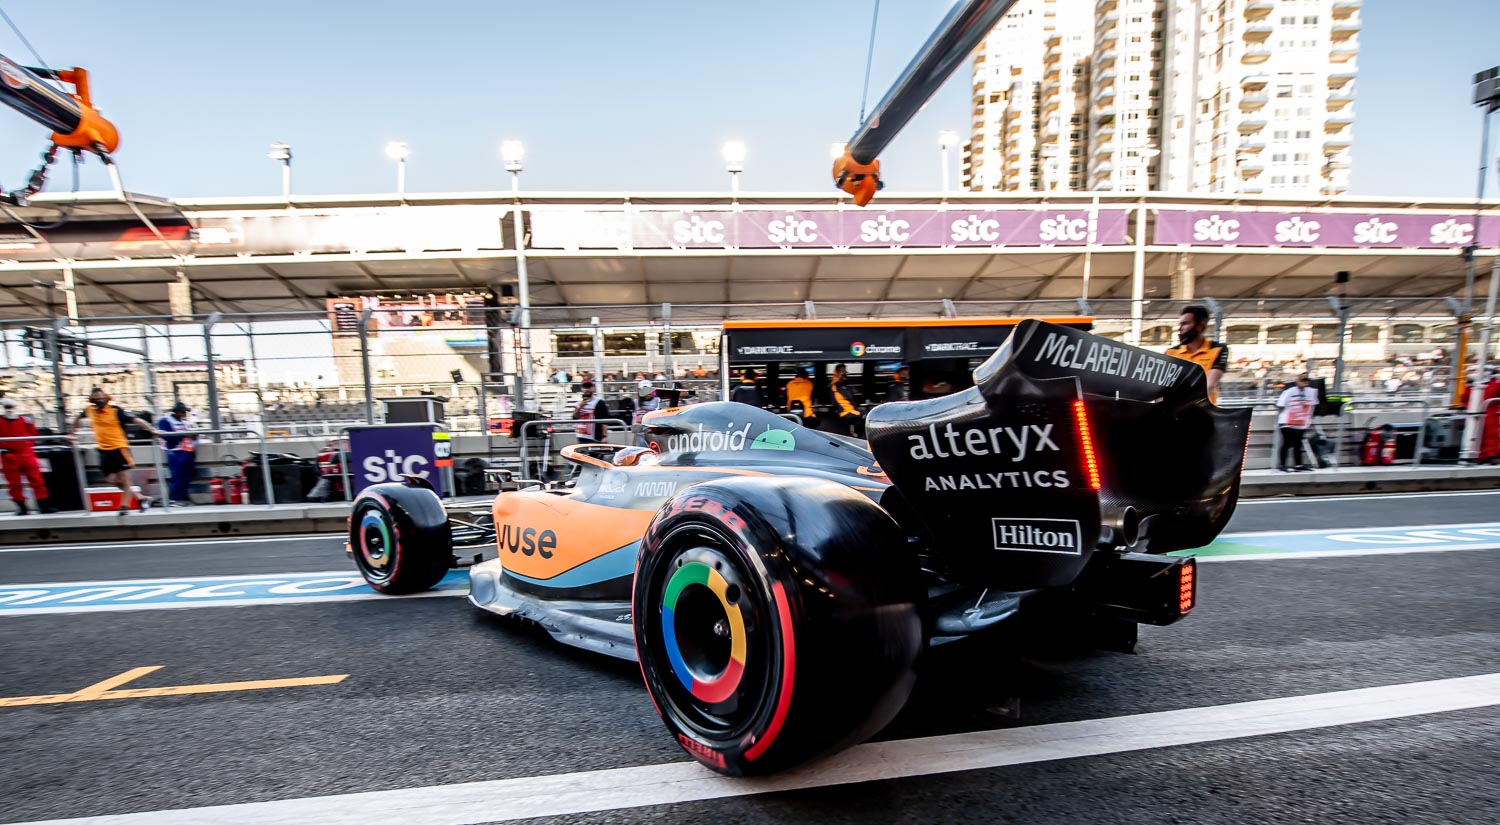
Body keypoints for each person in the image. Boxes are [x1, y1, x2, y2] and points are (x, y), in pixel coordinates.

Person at [68, 387, 162, 514]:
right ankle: (141, 498)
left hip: (119, 448)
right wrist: (72, 433)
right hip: (103, 450)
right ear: (92, 400)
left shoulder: (116, 410)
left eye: (101, 398)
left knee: (125, 480)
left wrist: (151, 429)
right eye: (97, 399)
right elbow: (77, 419)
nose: (100, 400)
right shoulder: (90, 410)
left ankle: (124, 507)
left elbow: (136, 420)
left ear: (106, 398)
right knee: (111, 480)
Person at [0, 399, 55, 515]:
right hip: (9, 456)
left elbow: (33, 434)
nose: (9, 409)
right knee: (14, 484)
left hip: (26, 454)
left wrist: (27, 445)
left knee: (37, 481)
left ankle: (44, 506)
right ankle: (22, 507)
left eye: (11, 406)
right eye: (7, 407)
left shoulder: (26, 420)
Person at [1165, 305, 1229, 403]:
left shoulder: (1218, 349)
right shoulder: (1171, 352)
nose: (1180, 328)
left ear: (1200, 325)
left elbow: (1210, 385)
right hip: (1174, 408)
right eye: (1180, 324)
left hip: (1202, 409)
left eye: (1185, 324)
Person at [156, 401, 197, 507]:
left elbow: (188, 434)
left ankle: (183, 497)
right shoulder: (165, 421)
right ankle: (175, 499)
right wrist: (185, 435)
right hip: (174, 451)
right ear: (177, 411)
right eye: (183, 412)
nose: (184, 414)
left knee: (187, 476)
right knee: (178, 475)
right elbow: (168, 437)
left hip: (187, 451)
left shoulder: (183, 422)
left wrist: (192, 436)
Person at [1275, 373, 1318, 472]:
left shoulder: (1310, 392)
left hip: (1300, 422)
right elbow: (1280, 404)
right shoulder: (1289, 391)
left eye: (1306, 380)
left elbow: (1313, 405)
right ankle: (1282, 464)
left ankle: (1298, 464)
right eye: (1302, 380)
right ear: (1297, 381)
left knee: (1298, 443)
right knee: (1286, 442)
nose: (1304, 382)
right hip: (1287, 421)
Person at [830, 363, 863, 437]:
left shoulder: (842, 384)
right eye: (843, 371)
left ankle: (857, 434)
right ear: (838, 372)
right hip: (845, 411)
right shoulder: (836, 385)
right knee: (865, 416)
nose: (846, 373)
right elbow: (849, 398)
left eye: (845, 371)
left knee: (864, 413)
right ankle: (858, 436)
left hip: (850, 409)